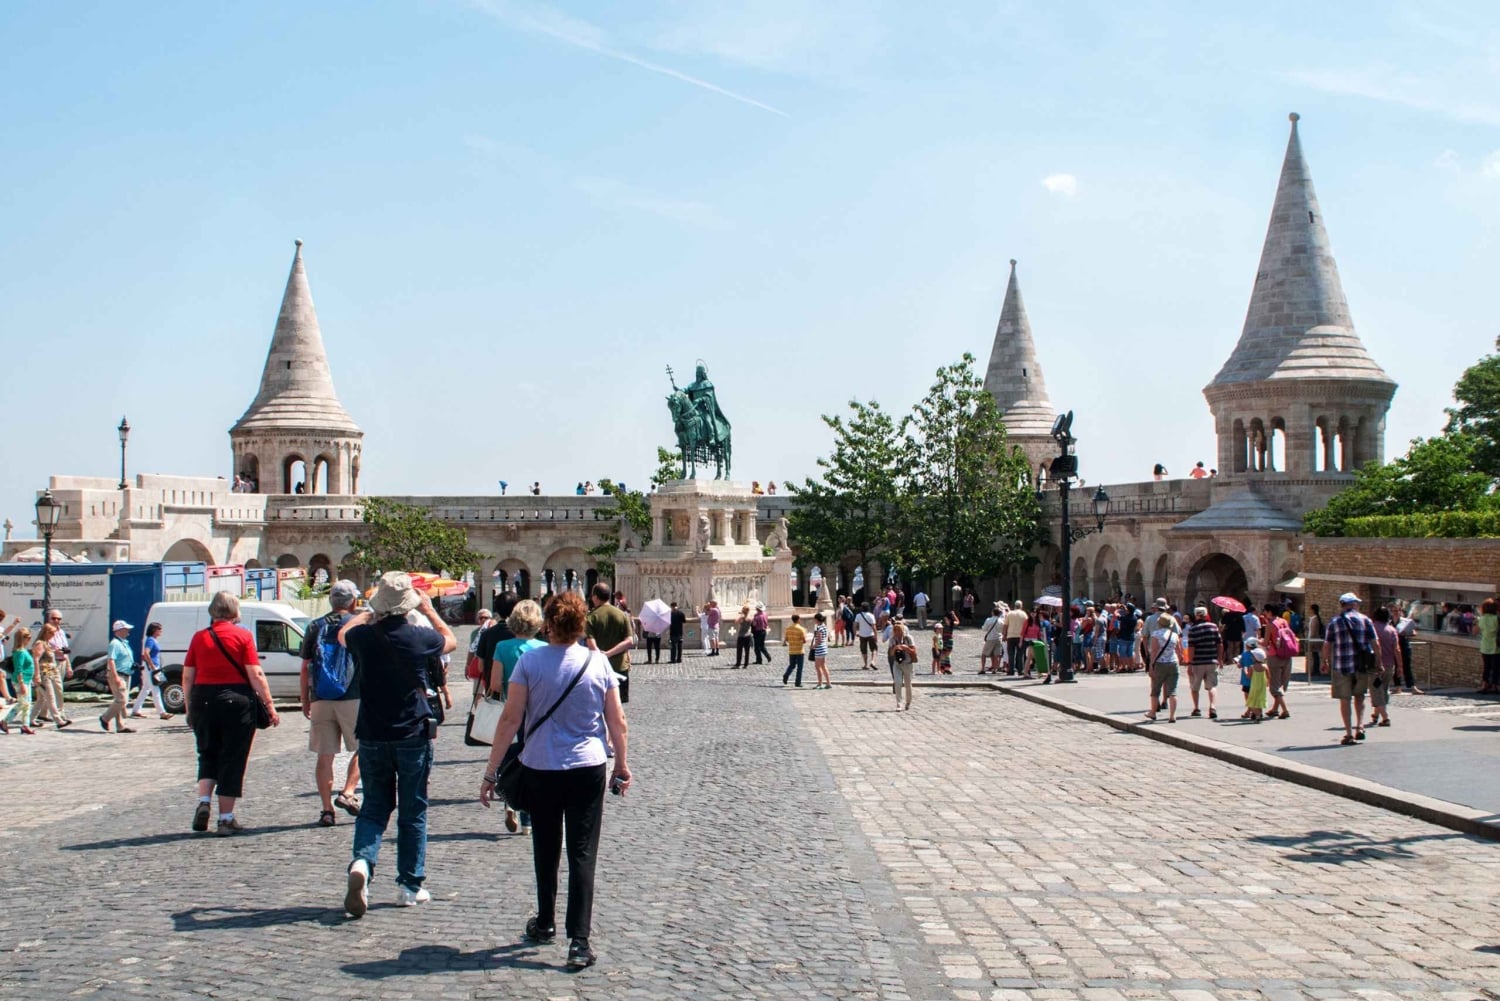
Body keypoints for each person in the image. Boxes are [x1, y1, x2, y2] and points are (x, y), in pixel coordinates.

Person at [478, 591, 630, 970]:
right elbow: (617, 721)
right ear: (581, 625)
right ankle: (579, 941)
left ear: (548, 625)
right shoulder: (598, 663)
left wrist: (491, 771)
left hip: (541, 765)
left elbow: (510, 719)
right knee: (582, 852)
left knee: (545, 847)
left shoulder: (530, 662)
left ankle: (545, 921)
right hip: (587, 766)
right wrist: (622, 766)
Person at [338, 572, 456, 915]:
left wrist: (367, 613)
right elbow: (449, 641)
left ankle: (362, 863)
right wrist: (429, 610)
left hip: (372, 733)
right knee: (412, 809)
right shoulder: (419, 637)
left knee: (374, 805)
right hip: (411, 733)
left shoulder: (363, 636)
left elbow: (343, 634)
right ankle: (409, 885)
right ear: (409, 606)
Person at [183, 591, 281, 835]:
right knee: (232, 757)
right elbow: (255, 674)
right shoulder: (243, 636)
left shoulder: (199, 637)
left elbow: (187, 676)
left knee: (207, 753)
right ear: (235, 611)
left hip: (203, 699)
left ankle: (204, 801)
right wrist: (269, 705)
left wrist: (189, 706)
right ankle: (225, 818)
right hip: (236, 701)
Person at [299, 581, 364, 828]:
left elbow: (305, 667)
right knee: (365, 748)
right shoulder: (358, 625)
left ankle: (326, 810)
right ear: (353, 601)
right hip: (353, 696)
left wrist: (305, 699)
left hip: (321, 698)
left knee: (324, 756)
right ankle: (348, 791)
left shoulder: (315, 626)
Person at [490, 599, 546, 835]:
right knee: (531, 763)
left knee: (508, 759)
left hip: (510, 710)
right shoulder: (543, 648)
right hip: (536, 715)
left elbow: (494, 684)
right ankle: (527, 821)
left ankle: (509, 801)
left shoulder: (502, 647)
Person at [1324, 592, 1378, 746]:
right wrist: (1378, 662)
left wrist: (1325, 661)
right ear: (1353, 604)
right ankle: (1360, 726)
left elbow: (1327, 644)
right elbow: (1375, 643)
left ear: (1342, 605)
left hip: (1342, 665)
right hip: (1361, 665)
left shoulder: (1334, 622)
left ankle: (1348, 733)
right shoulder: (1365, 620)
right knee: (1359, 696)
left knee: (1345, 699)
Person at [586, 584, 633, 701]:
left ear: (595, 597)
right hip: (620, 667)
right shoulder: (621, 615)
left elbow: (591, 645)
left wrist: (604, 655)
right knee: (620, 704)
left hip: (599, 670)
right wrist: (610, 653)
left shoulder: (591, 617)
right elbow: (629, 641)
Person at [1183, 606, 1223, 719]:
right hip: (1211, 660)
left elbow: (1191, 648)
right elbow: (1219, 644)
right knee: (1212, 686)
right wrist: (1220, 659)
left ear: (1196, 615)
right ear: (1206, 615)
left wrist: (1190, 663)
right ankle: (1213, 707)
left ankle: (1196, 708)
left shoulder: (1193, 629)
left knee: (1194, 687)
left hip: (1197, 662)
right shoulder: (1214, 627)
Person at [100, 620, 137, 734]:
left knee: (122, 701)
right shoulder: (115, 644)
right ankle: (105, 718)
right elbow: (111, 660)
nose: (128, 631)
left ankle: (121, 726)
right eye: (126, 629)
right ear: (119, 630)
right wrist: (115, 676)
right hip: (118, 674)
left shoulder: (123, 643)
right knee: (121, 700)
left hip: (125, 674)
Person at [130, 622, 172, 720]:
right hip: (151, 668)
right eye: (159, 629)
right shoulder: (150, 640)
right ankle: (162, 712)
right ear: (154, 630)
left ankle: (136, 709)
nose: (161, 631)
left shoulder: (152, 640)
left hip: (150, 667)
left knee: (146, 689)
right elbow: (146, 653)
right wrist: (152, 666)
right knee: (155, 689)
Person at [1145, 611, 1182, 722]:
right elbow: (1179, 651)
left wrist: (1151, 666)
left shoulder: (1156, 634)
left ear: (1159, 623)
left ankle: (1153, 712)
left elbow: (1154, 652)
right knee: (1173, 691)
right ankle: (1172, 715)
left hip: (1160, 663)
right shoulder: (1174, 635)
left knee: (1156, 689)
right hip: (1173, 662)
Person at [1369, 606, 1402, 728]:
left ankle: (1385, 717)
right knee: (1383, 689)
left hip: (1375, 664)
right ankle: (1376, 715)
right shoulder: (1392, 630)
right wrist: (1400, 666)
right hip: (1389, 664)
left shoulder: (1371, 628)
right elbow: (1397, 649)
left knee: (1376, 690)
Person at [0, 628, 35, 734]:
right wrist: (22, 683)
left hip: (26, 680)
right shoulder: (19, 652)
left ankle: (25, 725)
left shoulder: (23, 651)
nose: (29, 639)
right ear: (22, 638)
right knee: (23, 703)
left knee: (27, 703)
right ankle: (5, 721)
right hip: (21, 681)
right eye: (28, 637)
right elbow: (18, 669)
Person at [887, 619, 919, 711]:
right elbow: (890, 654)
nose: (897, 632)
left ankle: (908, 702)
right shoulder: (892, 639)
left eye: (899, 630)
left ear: (902, 630)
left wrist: (906, 648)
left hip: (907, 663)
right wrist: (895, 648)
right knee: (898, 682)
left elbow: (914, 651)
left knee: (908, 684)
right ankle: (899, 703)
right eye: (895, 630)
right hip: (897, 663)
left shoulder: (908, 638)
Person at [1393, 605, 1421, 693]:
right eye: (1394, 611)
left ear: (1400, 611)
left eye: (1397, 611)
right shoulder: (1389, 622)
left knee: (1407, 666)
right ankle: (1397, 687)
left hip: (1404, 644)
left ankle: (1412, 687)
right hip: (1394, 645)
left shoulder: (1405, 621)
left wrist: (1408, 633)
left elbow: (1414, 632)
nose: (1396, 613)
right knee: (1396, 666)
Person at [1478, 598, 1499, 694]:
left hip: (1485, 646)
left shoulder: (1481, 619)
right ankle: (1495, 686)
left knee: (1486, 667)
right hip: (1496, 646)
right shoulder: (1497, 618)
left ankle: (1484, 685)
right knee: (1496, 668)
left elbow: (1475, 631)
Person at [782, 613, 806, 687]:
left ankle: (786, 674)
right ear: (798, 619)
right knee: (800, 667)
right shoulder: (801, 629)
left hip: (791, 650)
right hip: (799, 650)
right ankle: (797, 682)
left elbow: (786, 639)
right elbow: (804, 640)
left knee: (792, 665)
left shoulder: (788, 629)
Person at [978, 603, 1003, 674]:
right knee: (996, 655)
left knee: (984, 654)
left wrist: (983, 627)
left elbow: (984, 629)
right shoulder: (1001, 621)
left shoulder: (988, 620)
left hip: (990, 639)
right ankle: (995, 669)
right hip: (998, 639)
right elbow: (1002, 630)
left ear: (993, 613)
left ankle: (982, 668)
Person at [853, 602, 878, 669]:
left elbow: (855, 625)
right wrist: (876, 635)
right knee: (874, 649)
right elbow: (874, 627)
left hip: (862, 635)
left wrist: (855, 633)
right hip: (871, 634)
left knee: (864, 650)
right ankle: (873, 662)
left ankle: (865, 664)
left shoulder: (858, 615)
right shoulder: (871, 615)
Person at [809, 612, 831, 689]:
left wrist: (813, 646)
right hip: (824, 648)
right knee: (823, 666)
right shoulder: (824, 626)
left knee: (817, 667)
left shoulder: (819, 627)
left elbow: (819, 639)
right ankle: (828, 683)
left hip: (819, 649)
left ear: (816, 619)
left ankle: (820, 683)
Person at [1305, 603, 1325, 676]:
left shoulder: (1315, 619)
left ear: (1313, 610)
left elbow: (1313, 631)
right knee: (1314, 655)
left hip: (1314, 640)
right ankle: (1315, 670)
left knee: (1315, 655)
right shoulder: (1313, 618)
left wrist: (1309, 640)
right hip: (1313, 639)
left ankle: (1316, 670)